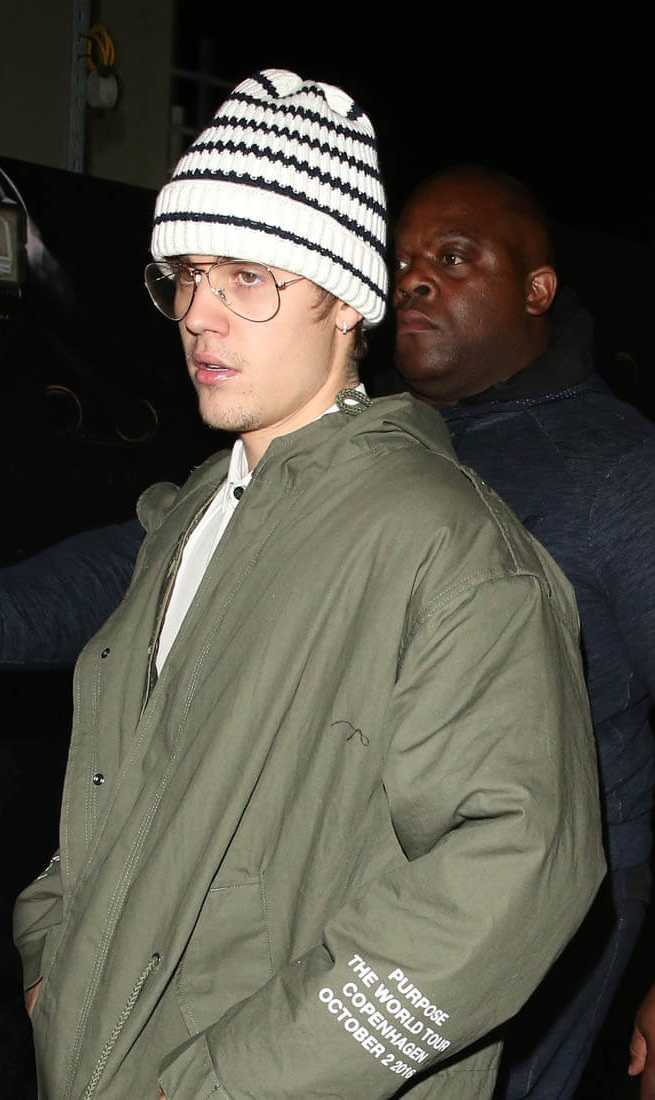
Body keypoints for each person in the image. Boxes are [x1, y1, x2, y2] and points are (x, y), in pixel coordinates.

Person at [12, 75, 604, 1100]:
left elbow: (520, 863)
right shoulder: (197, 515)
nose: (198, 313)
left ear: (348, 299)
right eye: (187, 273)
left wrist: (243, 1077)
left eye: (247, 276)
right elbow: (118, 773)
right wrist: (49, 950)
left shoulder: (448, 546)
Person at [393, 163, 655, 1100]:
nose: (414, 281)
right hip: (386, 869)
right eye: (402, 262)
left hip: (563, 889)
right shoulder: (376, 442)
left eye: (453, 257)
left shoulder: (617, 468)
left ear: (537, 289)